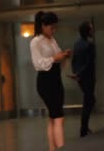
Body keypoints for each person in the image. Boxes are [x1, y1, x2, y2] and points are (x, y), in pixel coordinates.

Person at [30, 11, 71, 151]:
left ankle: (52, 148)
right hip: (45, 81)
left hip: (55, 79)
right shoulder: (36, 41)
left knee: (53, 117)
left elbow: (57, 57)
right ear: (43, 26)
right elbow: (38, 64)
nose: (53, 30)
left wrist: (64, 56)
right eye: (51, 28)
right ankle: (61, 147)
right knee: (59, 116)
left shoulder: (52, 40)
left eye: (55, 27)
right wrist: (55, 59)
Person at [69, 21, 96, 137]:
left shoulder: (77, 44)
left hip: (80, 78)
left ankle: (84, 128)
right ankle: (83, 129)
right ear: (88, 31)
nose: (92, 31)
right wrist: (79, 73)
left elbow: (74, 61)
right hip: (88, 77)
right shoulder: (90, 45)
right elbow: (89, 63)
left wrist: (76, 74)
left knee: (89, 100)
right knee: (89, 101)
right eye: (91, 29)